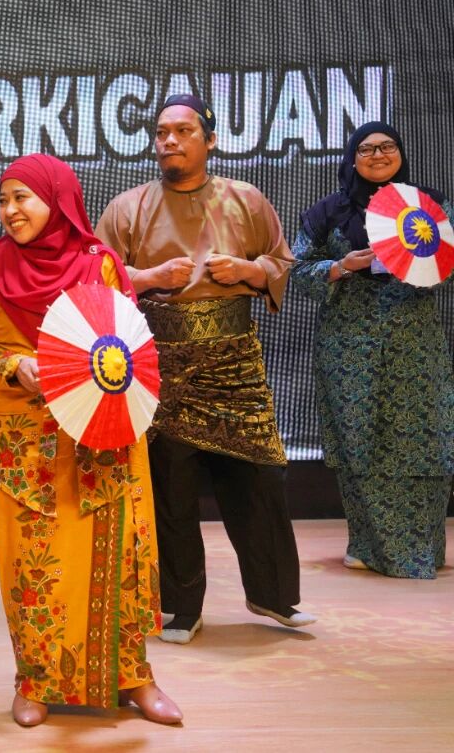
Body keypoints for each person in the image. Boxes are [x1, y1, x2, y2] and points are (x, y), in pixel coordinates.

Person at [0, 154, 180, 727]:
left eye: (22, 198)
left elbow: (126, 337)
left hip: (101, 438)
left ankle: (134, 677)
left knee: (117, 556)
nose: (10, 210)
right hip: (26, 447)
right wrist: (13, 365)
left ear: (57, 201)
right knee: (33, 568)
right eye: (3, 200)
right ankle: (34, 681)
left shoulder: (99, 263)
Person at [95, 94, 315, 644]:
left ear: (210, 140)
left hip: (235, 363)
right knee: (170, 489)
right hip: (160, 364)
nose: (169, 140)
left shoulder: (247, 199)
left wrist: (249, 269)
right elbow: (96, 276)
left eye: (183, 131)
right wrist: (149, 279)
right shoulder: (128, 207)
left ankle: (274, 596)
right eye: (161, 132)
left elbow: (282, 262)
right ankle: (180, 607)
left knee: (260, 477)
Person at [290, 121, 454, 578]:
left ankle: (420, 549)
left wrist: (424, 261)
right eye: (367, 149)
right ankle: (366, 543)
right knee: (359, 441)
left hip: (415, 344)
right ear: (352, 157)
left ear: (401, 152)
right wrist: (340, 266)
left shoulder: (429, 205)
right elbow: (296, 269)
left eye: (387, 146)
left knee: (423, 440)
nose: (378, 155)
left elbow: (450, 261)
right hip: (349, 347)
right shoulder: (328, 212)